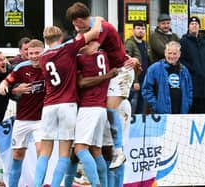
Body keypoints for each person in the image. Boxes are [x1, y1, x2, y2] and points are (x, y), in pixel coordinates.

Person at [66, 4, 135, 184]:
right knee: (100, 146)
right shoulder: (93, 26)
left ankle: (119, 151)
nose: (77, 30)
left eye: (76, 25)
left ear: (80, 20)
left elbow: (90, 50)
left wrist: (66, 50)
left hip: (121, 72)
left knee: (110, 109)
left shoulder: (101, 27)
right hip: (113, 76)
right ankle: (94, 174)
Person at [33, 17, 102, 187]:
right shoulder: (68, 48)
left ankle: (36, 185)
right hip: (67, 104)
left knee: (45, 151)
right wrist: (98, 20)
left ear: (45, 40)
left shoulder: (42, 58)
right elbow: (94, 32)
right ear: (61, 37)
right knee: (64, 153)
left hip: (49, 105)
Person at [65, 41, 118, 187]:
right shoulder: (105, 55)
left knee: (79, 149)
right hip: (100, 108)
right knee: (95, 150)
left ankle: (96, 184)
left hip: (88, 108)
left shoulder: (81, 58)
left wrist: (107, 76)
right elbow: (123, 58)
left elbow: (81, 83)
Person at [0, 39, 45, 187]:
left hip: (41, 119)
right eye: (31, 53)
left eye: (37, 53)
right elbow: (7, 82)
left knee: (41, 153)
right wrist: (6, 87)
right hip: (23, 118)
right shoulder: (21, 68)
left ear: (43, 52)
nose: (34, 56)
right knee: (17, 155)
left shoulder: (49, 66)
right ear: (26, 54)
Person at [142, 41, 193, 114]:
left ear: (179, 54)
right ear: (165, 53)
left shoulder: (184, 70)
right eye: (169, 53)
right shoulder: (154, 69)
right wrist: (155, 106)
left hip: (181, 114)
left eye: (174, 53)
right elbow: (146, 90)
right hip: (161, 116)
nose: (172, 56)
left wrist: (187, 105)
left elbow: (190, 90)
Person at [179, 16, 205, 113]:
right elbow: (181, 60)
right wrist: (192, 70)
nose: (194, 26)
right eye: (192, 24)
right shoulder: (183, 42)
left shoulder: (204, 42)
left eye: (196, 24)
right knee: (192, 111)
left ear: (199, 27)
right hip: (192, 83)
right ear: (188, 27)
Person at [125, 21, 150, 114]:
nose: (141, 31)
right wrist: (135, 81)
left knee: (142, 108)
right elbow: (127, 64)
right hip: (134, 82)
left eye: (143, 29)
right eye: (138, 28)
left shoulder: (145, 44)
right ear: (133, 30)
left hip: (144, 81)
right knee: (133, 108)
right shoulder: (129, 43)